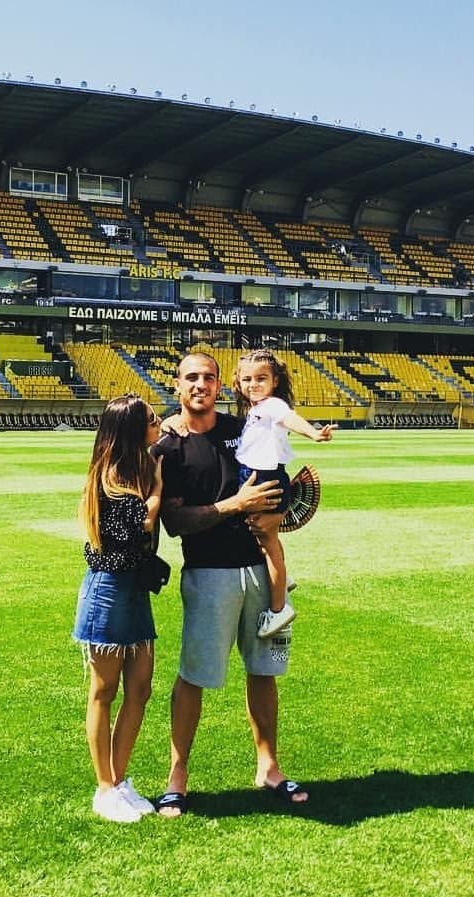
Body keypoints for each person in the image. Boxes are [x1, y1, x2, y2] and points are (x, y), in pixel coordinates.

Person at [152, 352, 309, 818]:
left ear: (222, 384)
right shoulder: (169, 446)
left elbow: (277, 471)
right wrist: (236, 505)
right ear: (177, 384)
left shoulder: (238, 430)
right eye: (191, 377)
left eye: (208, 377)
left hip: (261, 570)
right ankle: (177, 776)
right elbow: (175, 521)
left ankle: (269, 767)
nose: (201, 384)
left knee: (265, 669)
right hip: (209, 575)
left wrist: (280, 513)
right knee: (194, 675)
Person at [72, 393, 164, 823]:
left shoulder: (138, 466)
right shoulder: (110, 478)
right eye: (151, 419)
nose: (158, 422)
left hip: (134, 592)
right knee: (104, 691)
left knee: (140, 688)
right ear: (132, 430)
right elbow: (136, 528)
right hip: (108, 592)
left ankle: (120, 779)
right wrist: (158, 492)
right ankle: (104, 787)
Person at [233, 348, 334, 638]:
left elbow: (290, 418)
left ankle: (278, 610)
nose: (253, 384)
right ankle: (283, 578)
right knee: (266, 539)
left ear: (275, 380)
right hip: (257, 475)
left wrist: (314, 433)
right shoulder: (254, 409)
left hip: (266, 477)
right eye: (247, 379)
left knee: (267, 543)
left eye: (261, 378)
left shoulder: (272, 405)